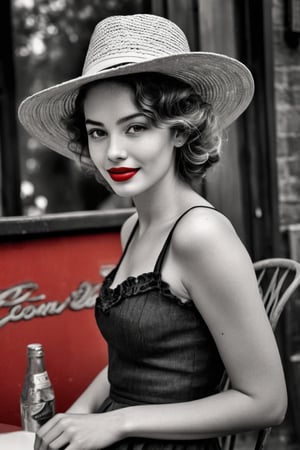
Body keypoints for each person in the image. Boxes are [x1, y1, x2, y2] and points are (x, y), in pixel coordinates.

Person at [18, 13, 287, 450]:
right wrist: (80, 413)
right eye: (97, 133)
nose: (114, 151)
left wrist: (118, 423)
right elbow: (135, 356)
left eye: (136, 127)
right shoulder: (133, 227)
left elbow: (267, 402)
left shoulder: (201, 235)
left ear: (179, 131)